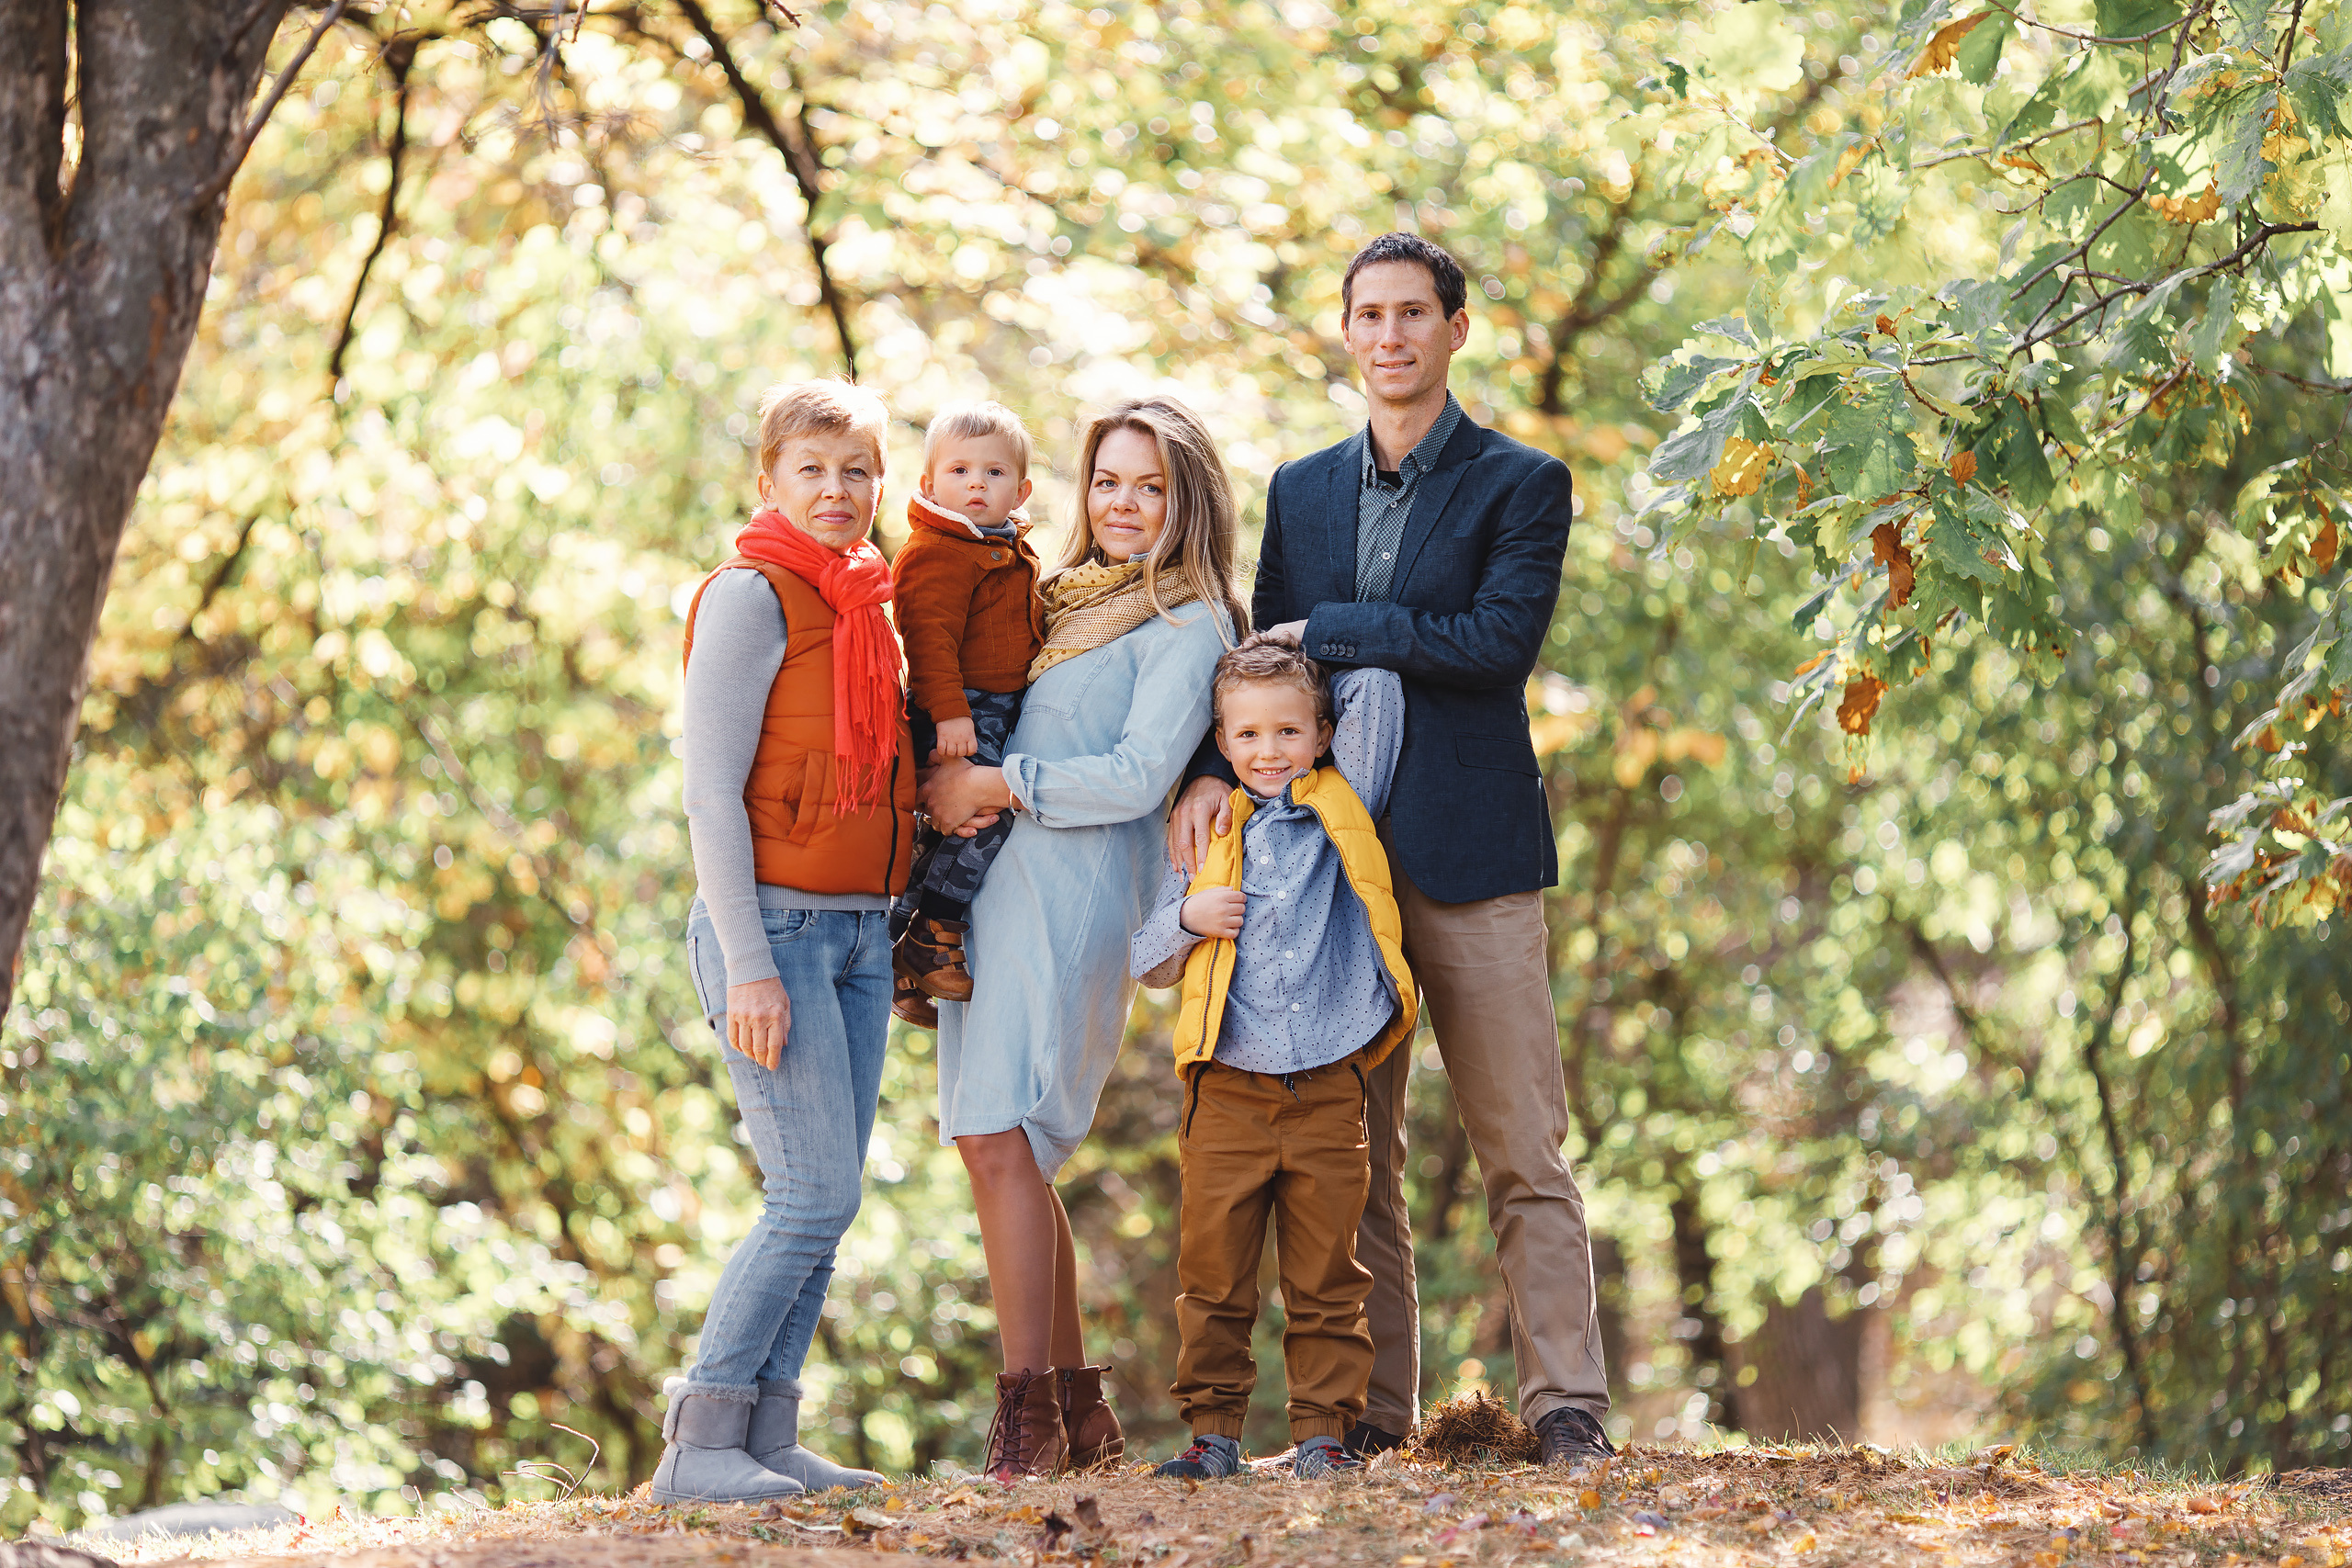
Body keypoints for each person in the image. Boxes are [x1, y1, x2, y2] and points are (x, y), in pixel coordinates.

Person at [1167, 231, 1615, 1466]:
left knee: (1521, 1139)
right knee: (1347, 1151)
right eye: (1369, 314)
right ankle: (1371, 1411)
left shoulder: (1522, 481)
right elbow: (1265, 668)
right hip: (1320, 871)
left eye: (1414, 313)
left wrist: (1346, 625)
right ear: (1347, 331)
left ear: (1454, 329)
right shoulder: (1300, 489)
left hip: (1472, 853)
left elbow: (1495, 643)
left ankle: (1566, 1400)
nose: (1391, 336)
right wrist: (1216, 776)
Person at [918, 396, 1247, 1482]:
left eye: (1150, 485)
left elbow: (1140, 775)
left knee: (1007, 1132)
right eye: (1108, 479)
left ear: (1186, 500)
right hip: (999, 889)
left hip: (1076, 891)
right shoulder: (1060, 599)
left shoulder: (1187, 618)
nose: (1123, 502)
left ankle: (1024, 1425)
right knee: (992, 1141)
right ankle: (1071, 1416)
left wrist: (996, 782)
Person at [660, 378, 914, 1503]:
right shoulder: (748, 596)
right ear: (768, 483)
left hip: (862, 928)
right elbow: (711, 796)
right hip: (773, 929)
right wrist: (749, 960)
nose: (836, 490)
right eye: (811, 468)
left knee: (834, 1194)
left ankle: (767, 1434)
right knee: (805, 1194)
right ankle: (699, 1442)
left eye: (856, 469)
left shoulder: (871, 604)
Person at [1130, 639, 1415, 1481]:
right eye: (1248, 735)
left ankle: (1324, 1433)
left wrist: (1288, 640)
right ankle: (1212, 1434)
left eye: (1289, 730)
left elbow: (1382, 685)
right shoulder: (1200, 833)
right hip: (1227, 1087)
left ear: (1322, 735)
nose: (1268, 750)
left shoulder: (1343, 806)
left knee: (1328, 1271)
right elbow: (1146, 961)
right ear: (1222, 743)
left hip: (1328, 1083)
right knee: (1213, 1270)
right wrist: (1191, 916)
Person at [887, 400, 1046, 1024]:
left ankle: (899, 953)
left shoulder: (1001, 546)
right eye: (958, 471)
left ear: (1022, 488)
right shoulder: (938, 550)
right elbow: (926, 637)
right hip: (962, 706)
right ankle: (934, 928)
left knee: (957, 824)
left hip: (993, 705)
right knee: (986, 816)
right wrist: (950, 713)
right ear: (929, 485)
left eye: (994, 473)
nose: (976, 483)